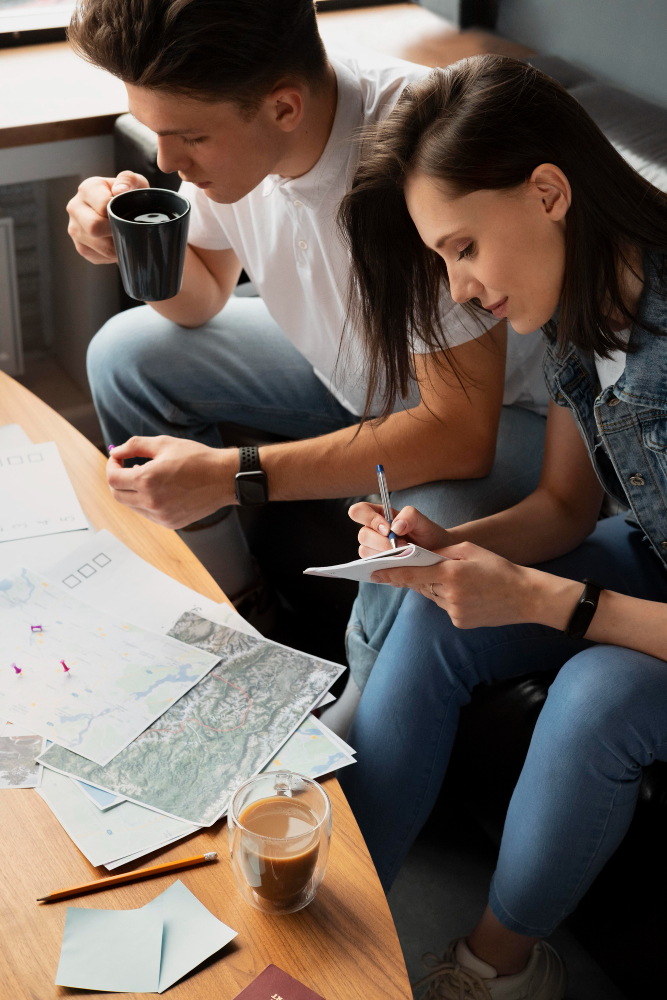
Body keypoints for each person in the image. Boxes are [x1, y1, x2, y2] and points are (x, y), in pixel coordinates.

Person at [337, 55, 667, 999]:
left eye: (464, 247)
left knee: (599, 696)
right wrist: (446, 553)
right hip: (651, 557)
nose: (459, 289)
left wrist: (533, 597)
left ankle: (495, 969)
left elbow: (566, 578)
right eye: (443, 259)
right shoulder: (582, 305)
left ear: (548, 192)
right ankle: (342, 907)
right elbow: (565, 508)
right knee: (438, 607)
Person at [65, 0, 548, 618]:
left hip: (499, 413)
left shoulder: (423, 152)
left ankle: (351, 708)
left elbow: (460, 432)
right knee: (124, 354)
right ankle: (239, 605)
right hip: (351, 368)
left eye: (188, 138)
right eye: (156, 130)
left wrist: (229, 473)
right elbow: (204, 292)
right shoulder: (240, 134)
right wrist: (132, 245)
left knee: (401, 552)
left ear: (284, 107)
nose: (165, 162)